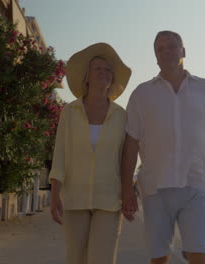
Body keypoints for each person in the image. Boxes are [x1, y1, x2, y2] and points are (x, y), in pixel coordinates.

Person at [121, 30, 205, 264]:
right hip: (155, 190)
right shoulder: (142, 94)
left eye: (172, 46)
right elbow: (131, 143)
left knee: (200, 256)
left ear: (183, 51)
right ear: (156, 58)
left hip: (195, 188)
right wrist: (126, 188)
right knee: (159, 259)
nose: (167, 51)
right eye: (160, 49)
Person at [49, 43, 131, 264]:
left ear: (112, 78)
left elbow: (125, 158)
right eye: (98, 69)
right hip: (74, 197)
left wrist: (128, 192)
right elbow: (60, 154)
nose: (103, 73)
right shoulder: (70, 111)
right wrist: (55, 193)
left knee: (102, 259)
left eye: (107, 69)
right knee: (75, 258)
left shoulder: (121, 116)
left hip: (109, 199)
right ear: (87, 77)